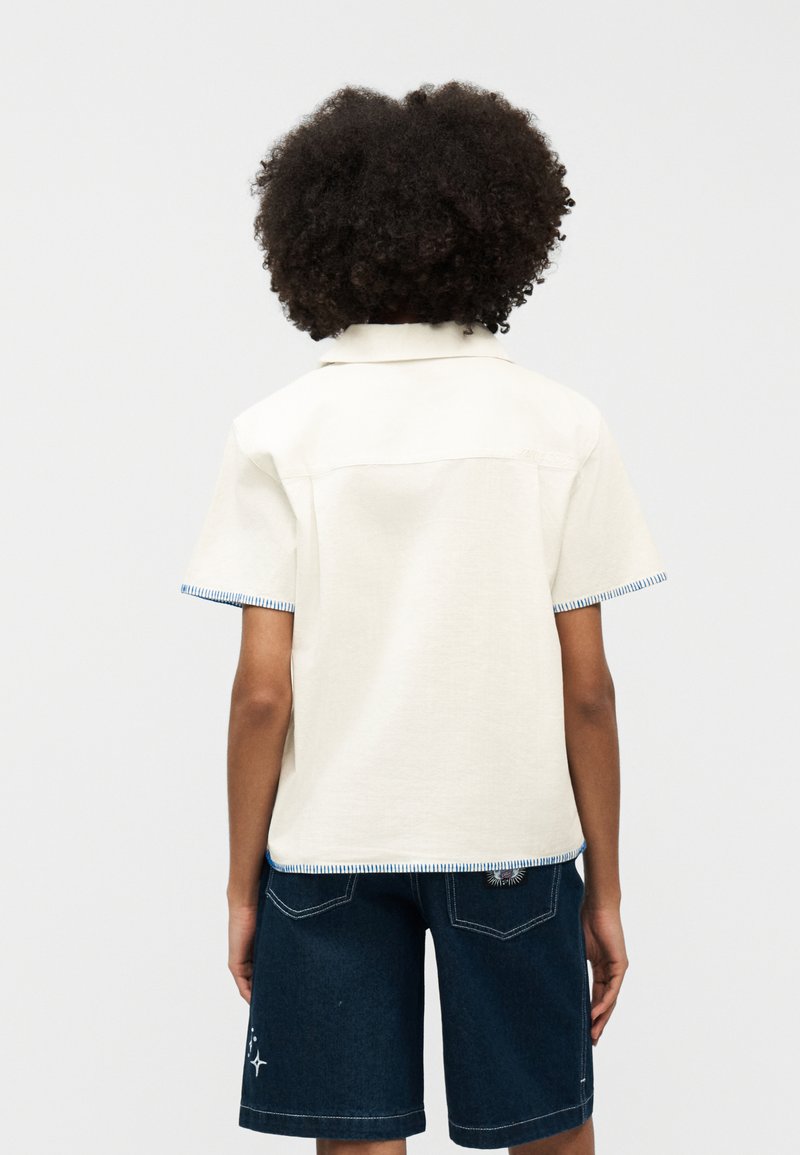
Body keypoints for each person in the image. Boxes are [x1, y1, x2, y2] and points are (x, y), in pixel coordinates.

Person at [179, 81, 668, 1155]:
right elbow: (587, 687)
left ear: (312, 241)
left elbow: (261, 691)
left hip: (330, 850)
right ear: (504, 234)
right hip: (513, 841)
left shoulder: (277, 432)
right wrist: (605, 885)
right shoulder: (560, 425)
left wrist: (241, 884)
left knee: (356, 1141)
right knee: (549, 1133)